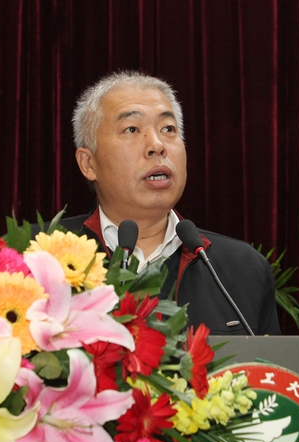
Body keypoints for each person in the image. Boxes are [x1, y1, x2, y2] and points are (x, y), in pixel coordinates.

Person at [58, 71, 280, 335]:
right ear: (88, 163)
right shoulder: (38, 259)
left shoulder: (242, 268)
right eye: (132, 129)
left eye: (168, 129)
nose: (156, 145)